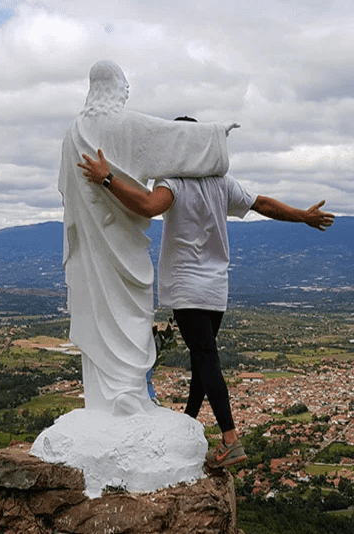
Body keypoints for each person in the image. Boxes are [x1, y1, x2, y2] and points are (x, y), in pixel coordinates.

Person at [77, 138, 334, 468]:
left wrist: (107, 178)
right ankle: (189, 420)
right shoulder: (221, 184)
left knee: (205, 357)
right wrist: (303, 216)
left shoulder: (174, 183)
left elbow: (146, 205)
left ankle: (230, 438)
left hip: (187, 287)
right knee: (204, 357)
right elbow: (262, 204)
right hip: (216, 289)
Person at [58, 60, 239, 417]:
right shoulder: (126, 125)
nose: (127, 93)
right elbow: (176, 139)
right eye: (124, 87)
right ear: (116, 88)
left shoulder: (72, 133)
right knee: (131, 315)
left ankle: (108, 400)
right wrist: (218, 134)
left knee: (100, 312)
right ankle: (127, 397)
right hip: (121, 242)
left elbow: (67, 190)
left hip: (93, 247)